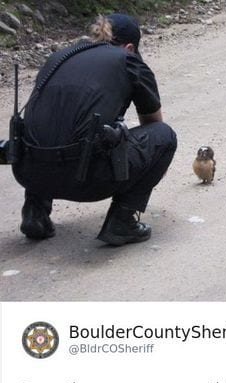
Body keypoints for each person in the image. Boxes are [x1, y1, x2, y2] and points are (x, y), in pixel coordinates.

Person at [13, 13, 177, 245]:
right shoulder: (128, 60)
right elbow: (153, 123)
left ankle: (34, 214)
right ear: (129, 47)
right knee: (165, 136)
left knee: (52, 127)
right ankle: (122, 222)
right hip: (86, 180)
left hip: (28, 173)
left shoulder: (58, 57)